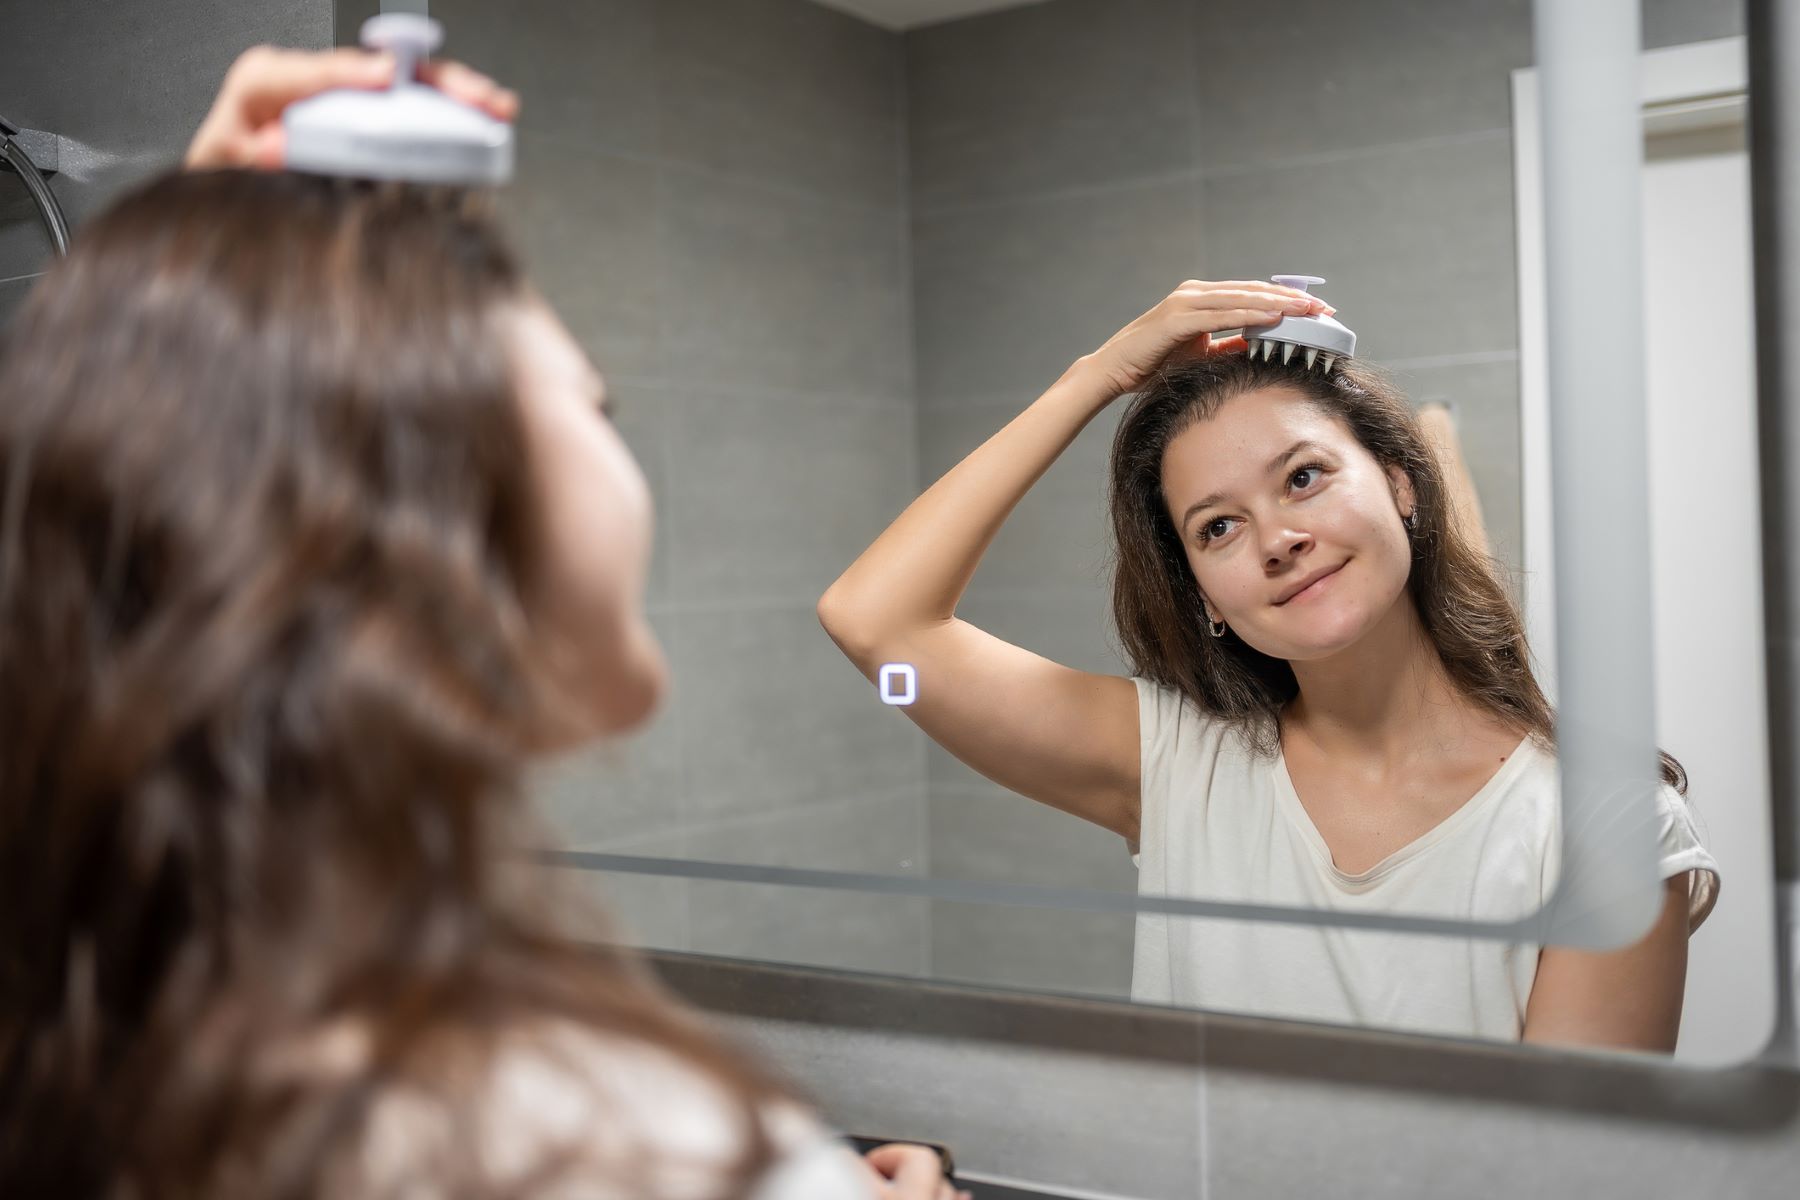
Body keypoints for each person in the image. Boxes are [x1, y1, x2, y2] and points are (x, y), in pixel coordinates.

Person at [0, 45, 963, 1200]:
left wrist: (178, 368)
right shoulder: (628, 1146)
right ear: (434, 509)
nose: (624, 449)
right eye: (593, 405)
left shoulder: (99, 1043)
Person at [819, 282, 1721, 1051]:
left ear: (1402, 484)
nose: (1279, 541)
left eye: (1303, 478)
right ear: (1206, 596)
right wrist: (1097, 375)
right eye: (1218, 527)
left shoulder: (1607, 830)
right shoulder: (1174, 763)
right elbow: (875, 624)